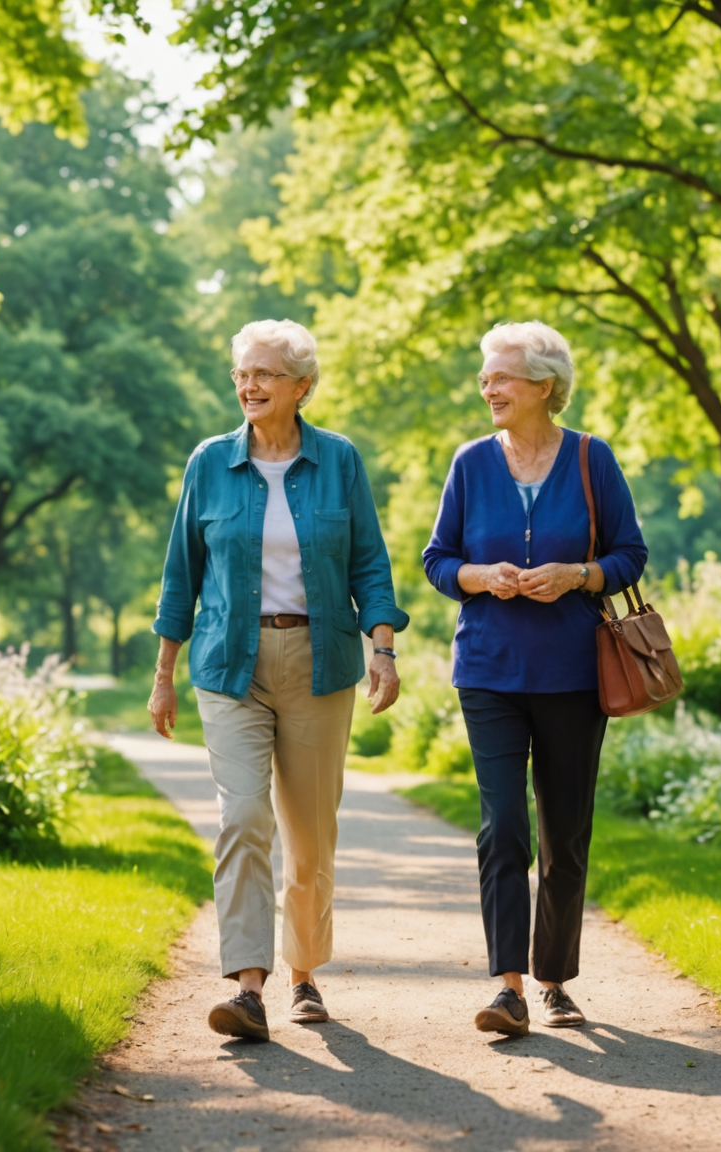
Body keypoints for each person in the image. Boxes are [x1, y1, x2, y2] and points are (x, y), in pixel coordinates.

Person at [150, 318, 407, 1043]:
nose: (248, 386)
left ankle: (303, 973)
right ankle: (248, 986)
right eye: (241, 373)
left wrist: (382, 650)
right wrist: (163, 674)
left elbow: (370, 564)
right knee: (243, 818)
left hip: (320, 663)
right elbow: (180, 577)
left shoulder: (339, 461)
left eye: (264, 374)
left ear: (302, 386)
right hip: (230, 665)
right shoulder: (209, 464)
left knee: (310, 836)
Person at [421, 321, 648, 1037]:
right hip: (488, 670)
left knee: (564, 833)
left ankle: (554, 980)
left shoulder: (591, 458)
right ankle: (508, 987)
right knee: (504, 829)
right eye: (485, 377)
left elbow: (629, 555)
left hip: (575, 674)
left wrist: (579, 575)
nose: (487, 387)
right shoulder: (470, 463)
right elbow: (436, 561)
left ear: (544, 386)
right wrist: (480, 577)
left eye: (501, 377)